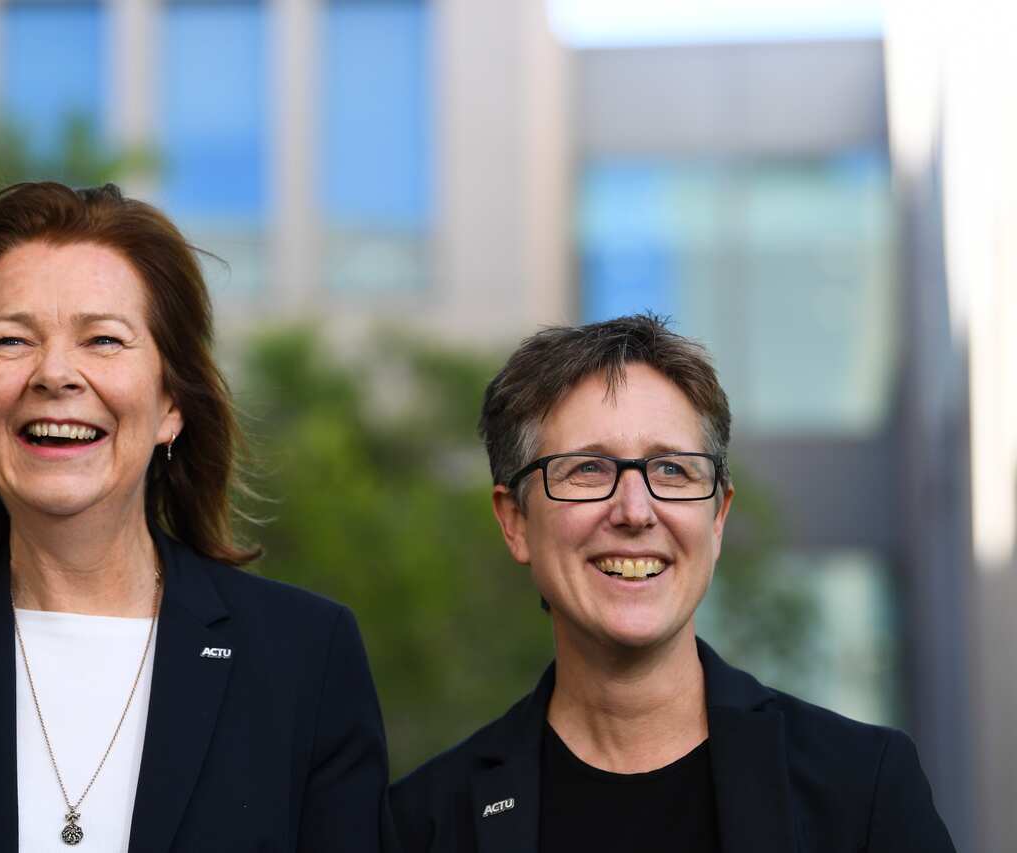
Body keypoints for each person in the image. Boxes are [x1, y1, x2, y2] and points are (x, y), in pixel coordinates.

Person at [0, 182, 388, 853]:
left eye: (103, 339)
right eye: (10, 340)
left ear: (172, 404)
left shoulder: (303, 657)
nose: (54, 373)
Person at [387, 315, 955, 853]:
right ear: (515, 522)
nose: (635, 510)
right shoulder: (425, 824)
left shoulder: (862, 790)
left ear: (717, 518)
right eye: (588, 469)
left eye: (672, 470)